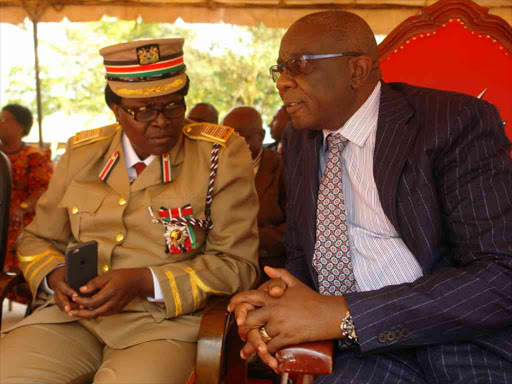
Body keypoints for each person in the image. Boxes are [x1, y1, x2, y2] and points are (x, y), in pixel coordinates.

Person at [229, 10, 512, 383]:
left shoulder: (452, 122)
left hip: (459, 344)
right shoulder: (298, 140)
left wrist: (346, 313)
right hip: (357, 354)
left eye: (298, 66)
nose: (282, 82)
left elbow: (499, 275)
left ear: (357, 70)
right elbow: (303, 254)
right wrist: (278, 298)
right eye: (279, 69)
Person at [0, 38, 259, 384]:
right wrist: (55, 275)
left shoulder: (218, 156)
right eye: (145, 111)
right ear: (117, 110)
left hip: (161, 326)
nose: (162, 121)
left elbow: (238, 266)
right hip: (72, 320)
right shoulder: (81, 154)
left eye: (173, 106)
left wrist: (143, 281)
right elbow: (35, 240)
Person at [0, 104, 53, 303]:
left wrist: (21, 209)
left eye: (5, 120)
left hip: (22, 221)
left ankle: (32, 297)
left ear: (20, 126)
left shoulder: (34, 156)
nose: (0, 123)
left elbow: (45, 188)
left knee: (22, 243)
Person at [223, 106, 286, 266]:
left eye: (240, 138)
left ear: (261, 136)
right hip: (221, 265)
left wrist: (246, 238)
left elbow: (296, 228)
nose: (231, 145)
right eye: (225, 138)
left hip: (268, 267)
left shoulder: (283, 168)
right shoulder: (212, 167)